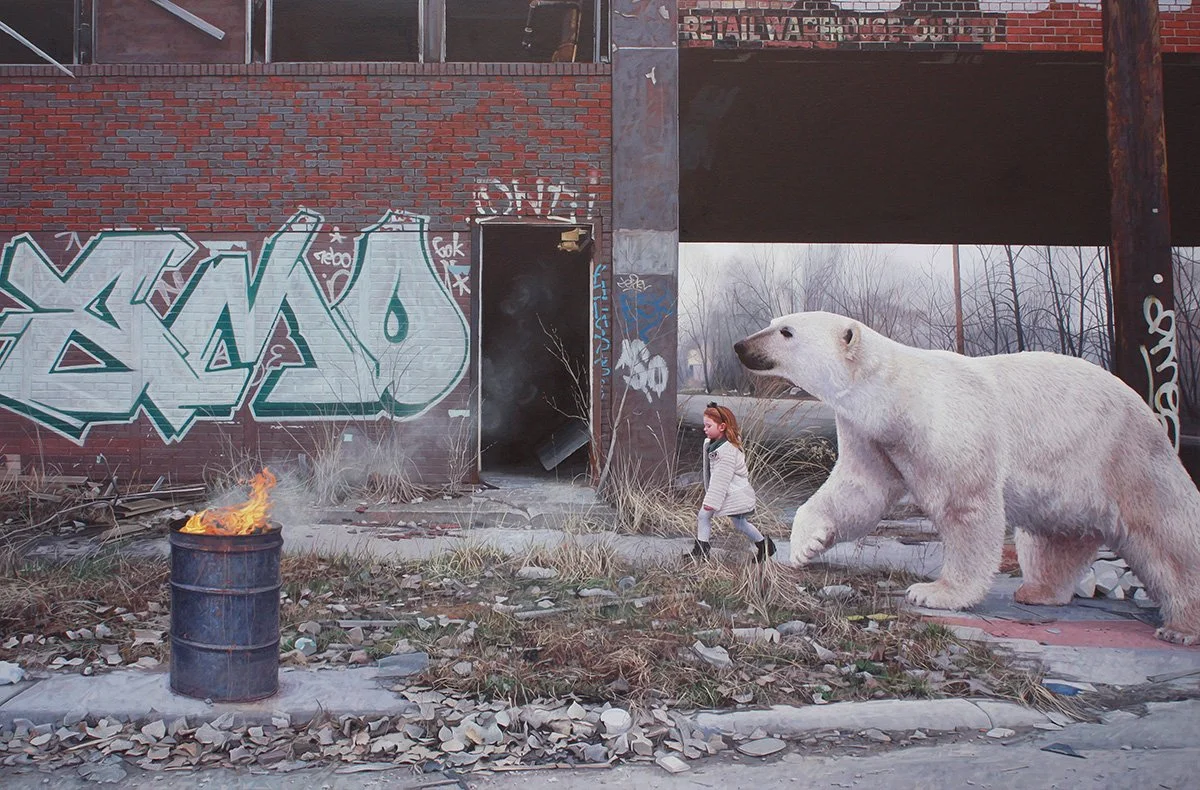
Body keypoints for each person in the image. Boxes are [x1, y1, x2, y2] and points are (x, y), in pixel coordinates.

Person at [687, 402, 777, 562]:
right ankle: (765, 545)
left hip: (734, 493)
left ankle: (702, 551)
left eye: (708, 425)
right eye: (704, 425)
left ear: (721, 427)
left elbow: (720, 479)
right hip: (731, 492)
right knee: (738, 523)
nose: (704, 429)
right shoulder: (716, 445)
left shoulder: (726, 451)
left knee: (709, 516)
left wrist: (711, 501)